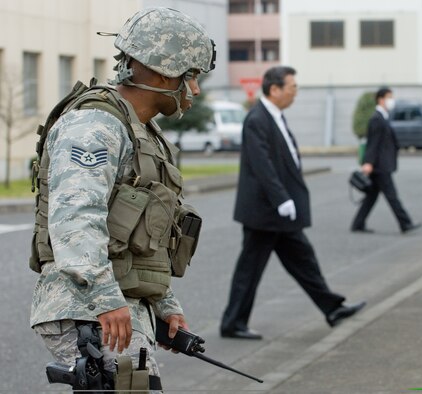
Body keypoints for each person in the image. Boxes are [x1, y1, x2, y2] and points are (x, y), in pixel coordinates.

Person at [29, 7, 215, 391]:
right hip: (88, 306)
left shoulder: (138, 130)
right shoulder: (95, 125)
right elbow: (76, 219)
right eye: (191, 76)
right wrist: (104, 298)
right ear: (165, 71)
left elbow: (144, 236)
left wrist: (164, 305)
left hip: (116, 302)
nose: (194, 89)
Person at [220, 66, 365, 340]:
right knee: (250, 269)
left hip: (278, 214)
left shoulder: (274, 117)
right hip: (265, 212)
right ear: (274, 89)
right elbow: (262, 166)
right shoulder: (257, 119)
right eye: (292, 88)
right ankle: (232, 323)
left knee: (304, 260)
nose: (295, 93)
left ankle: (332, 308)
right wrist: (282, 199)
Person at [350, 87, 422, 234]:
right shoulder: (376, 119)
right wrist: (368, 162)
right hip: (380, 166)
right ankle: (405, 223)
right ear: (380, 99)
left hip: (380, 164)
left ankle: (358, 223)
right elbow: (373, 143)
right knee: (392, 196)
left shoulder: (382, 117)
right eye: (389, 97)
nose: (391, 100)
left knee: (371, 197)